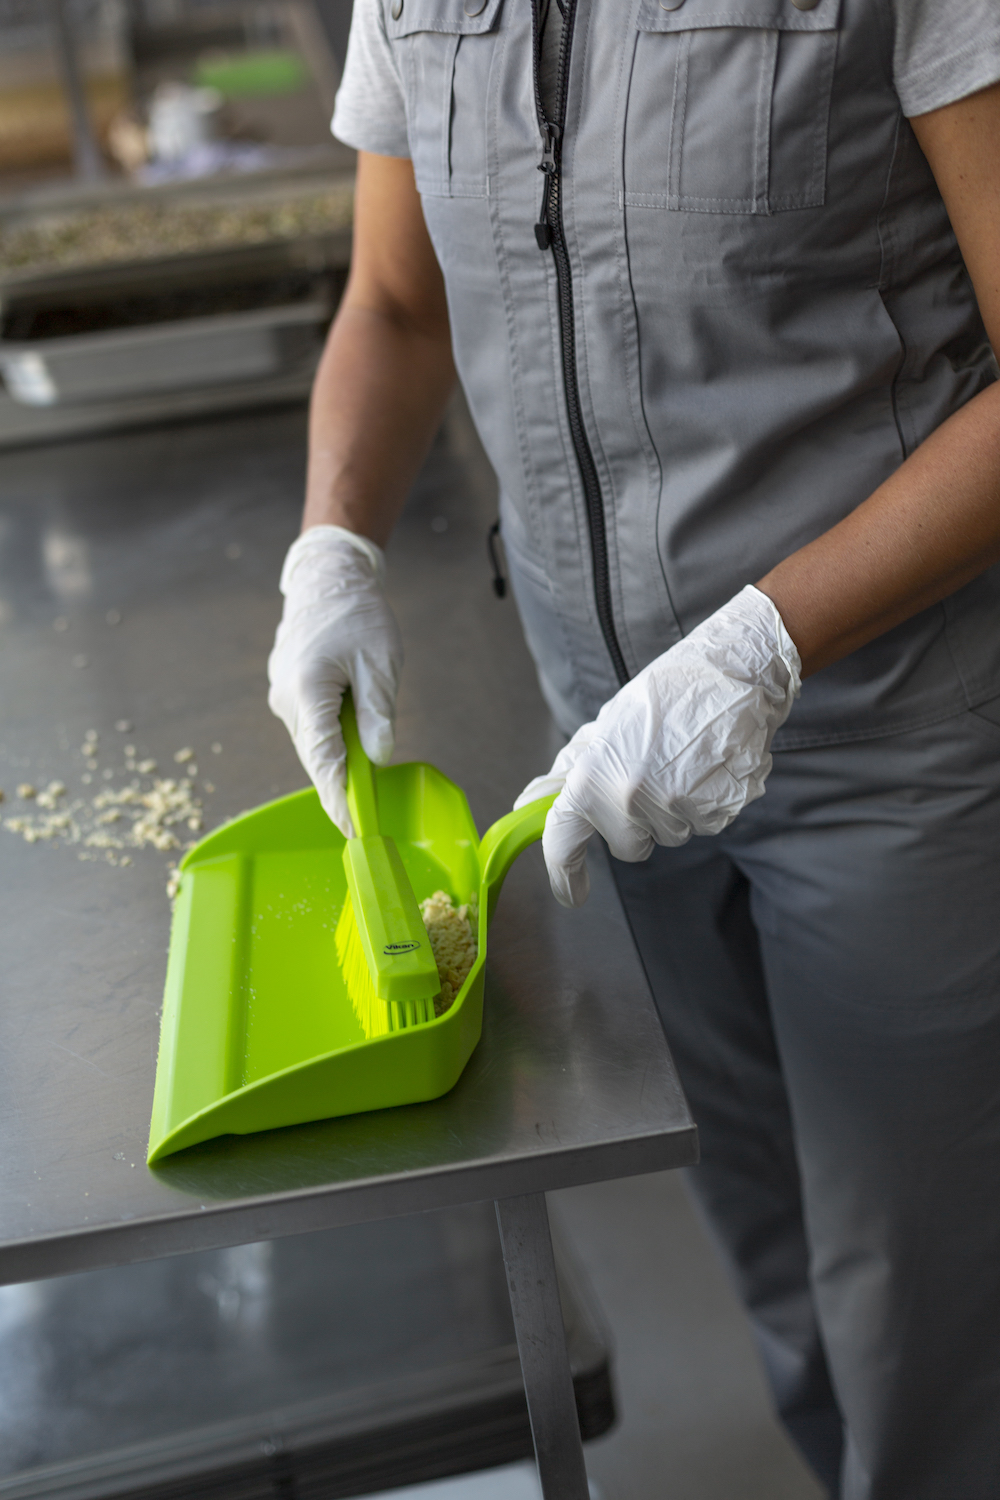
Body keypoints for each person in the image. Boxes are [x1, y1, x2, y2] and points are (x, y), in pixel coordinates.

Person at [266, 2, 1000, 1493]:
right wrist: (332, 545)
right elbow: (396, 307)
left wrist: (763, 646)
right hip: (604, 763)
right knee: (768, 1237)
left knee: (924, 1303)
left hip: (891, 733)